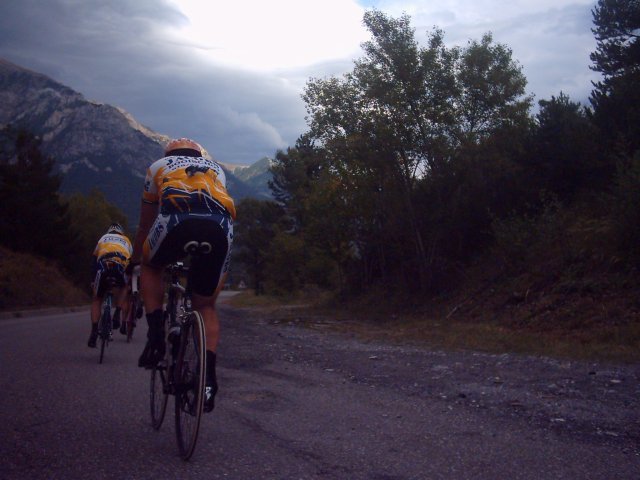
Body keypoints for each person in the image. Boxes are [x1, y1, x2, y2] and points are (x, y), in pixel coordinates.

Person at [129, 137, 235, 412]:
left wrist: (136, 258)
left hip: (175, 223)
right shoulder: (216, 169)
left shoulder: (159, 166)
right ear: (199, 154)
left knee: (151, 265)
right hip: (219, 230)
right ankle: (208, 379)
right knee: (206, 305)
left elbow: (146, 222)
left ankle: (155, 336)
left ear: (168, 153)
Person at [88, 223, 132, 347]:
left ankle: (94, 331)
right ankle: (117, 312)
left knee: (97, 299)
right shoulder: (126, 240)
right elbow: (132, 260)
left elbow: (93, 261)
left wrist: (93, 280)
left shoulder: (102, 238)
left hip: (103, 266)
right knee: (124, 287)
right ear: (121, 233)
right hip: (119, 266)